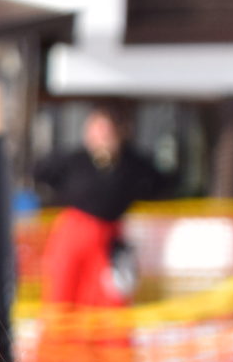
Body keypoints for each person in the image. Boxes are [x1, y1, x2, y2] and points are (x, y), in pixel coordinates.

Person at [32, 105, 167, 308]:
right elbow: (42, 172)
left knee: (109, 296)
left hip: (108, 238)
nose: (100, 136)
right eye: (95, 129)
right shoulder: (76, 160)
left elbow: (158, 182)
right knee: (64, 291)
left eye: (106, 130)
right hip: (74, 232)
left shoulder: (130, 164)